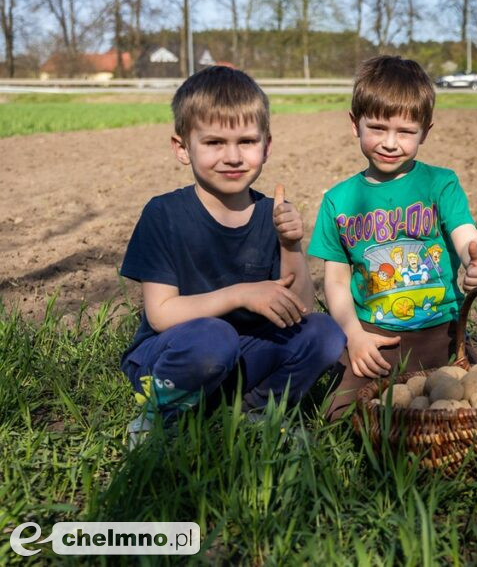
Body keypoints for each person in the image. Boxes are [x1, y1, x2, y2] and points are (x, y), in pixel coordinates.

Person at [120, 66, 346, 444]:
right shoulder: (164, 215)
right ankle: (160, 418)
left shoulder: (270, 213)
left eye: (247, 141)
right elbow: (160, 314)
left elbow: (302, 309)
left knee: (324, 333)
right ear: (182, 147)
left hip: (242, 357)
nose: (233, 156)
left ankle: (258, 411)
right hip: (175, 356)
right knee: (214, 337)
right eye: (214, 142)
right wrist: (241, 294)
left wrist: (290, 244)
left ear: (266, 146)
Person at [308, 55, 477, 420]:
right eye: (377, 128)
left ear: (425, 131)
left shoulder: (440, 184)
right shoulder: (338, 201)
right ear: (355, 124)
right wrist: (353, 335)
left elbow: (466, 235)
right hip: (374, 335)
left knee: (463, 406)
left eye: (405, 132)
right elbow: (336, 281)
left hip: (441, 333)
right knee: (337, 416)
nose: (390, 143)